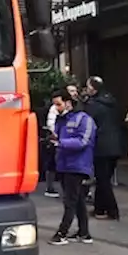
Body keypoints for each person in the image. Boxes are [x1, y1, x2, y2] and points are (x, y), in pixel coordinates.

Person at [49, 89, 95, 245]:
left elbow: (84, 141)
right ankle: (84, 233)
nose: (57, 108)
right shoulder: (62, 119)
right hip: (65, 163)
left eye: (59, 104)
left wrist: (61, 143)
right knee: (78, 199)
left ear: (68, 102)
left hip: (77, 165)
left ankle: (62, 233)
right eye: (55, 105)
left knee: (70, 200)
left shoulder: (84, 119)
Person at [82, 76, 121, 220]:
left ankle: (112, 210)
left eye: (88, 86)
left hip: (101, 146)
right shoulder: (111, 102)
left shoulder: (93, 105)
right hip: (115, 144)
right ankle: (99, 207)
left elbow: (88, 122)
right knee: (104, 177)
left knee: (103, 179)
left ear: (93, 88)